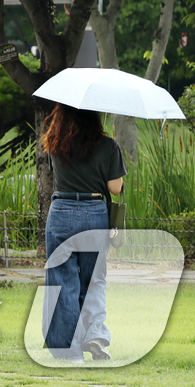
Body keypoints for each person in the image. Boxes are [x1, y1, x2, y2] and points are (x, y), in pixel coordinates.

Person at [41, 103, 124, 361]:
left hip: (61, 211)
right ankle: (95, 336)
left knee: (63, 281)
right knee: (94, 278)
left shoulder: (54, 143)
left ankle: (70, 351)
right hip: (94, 212)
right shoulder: (108, 146)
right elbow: (115, 188)